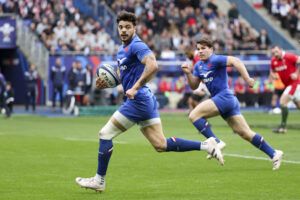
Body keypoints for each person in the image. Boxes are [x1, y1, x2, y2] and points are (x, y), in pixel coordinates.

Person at [75, 11, 224, 192]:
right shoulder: (122, 49)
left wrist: (135, 87)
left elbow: (153, 65)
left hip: (138, 101)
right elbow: (127, 77)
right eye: (121, 27)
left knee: (105, 134)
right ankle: (207, 144)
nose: (123, 30)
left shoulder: (137, 45)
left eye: (128, 27)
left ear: (135, 28)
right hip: (145, 99)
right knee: (160, 145)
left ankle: (99, 180)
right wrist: (109, 84)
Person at [181, 37, 283, 170]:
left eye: (203, 48)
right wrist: (188, 74)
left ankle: (216, 141)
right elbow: (194, 85)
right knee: (245, 133)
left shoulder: (216, 59)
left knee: (194, 115)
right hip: (225, 101)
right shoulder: (198, 66)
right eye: (198, 49)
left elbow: (236, 61)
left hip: (224, 97)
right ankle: (274, 153)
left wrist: (247, 78)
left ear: (211, 49)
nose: (200, 51)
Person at [270, 46, 300, 133]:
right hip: (288, 85)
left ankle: (283, 127)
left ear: (280, 50)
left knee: (282, 102)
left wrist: (296, 73)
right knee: (298, 105)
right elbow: (272, 71)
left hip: (295, 84)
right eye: (273, 53)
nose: (275, 54)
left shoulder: (288, 56)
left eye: (276, 51)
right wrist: (273, 75)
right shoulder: (273, 61)